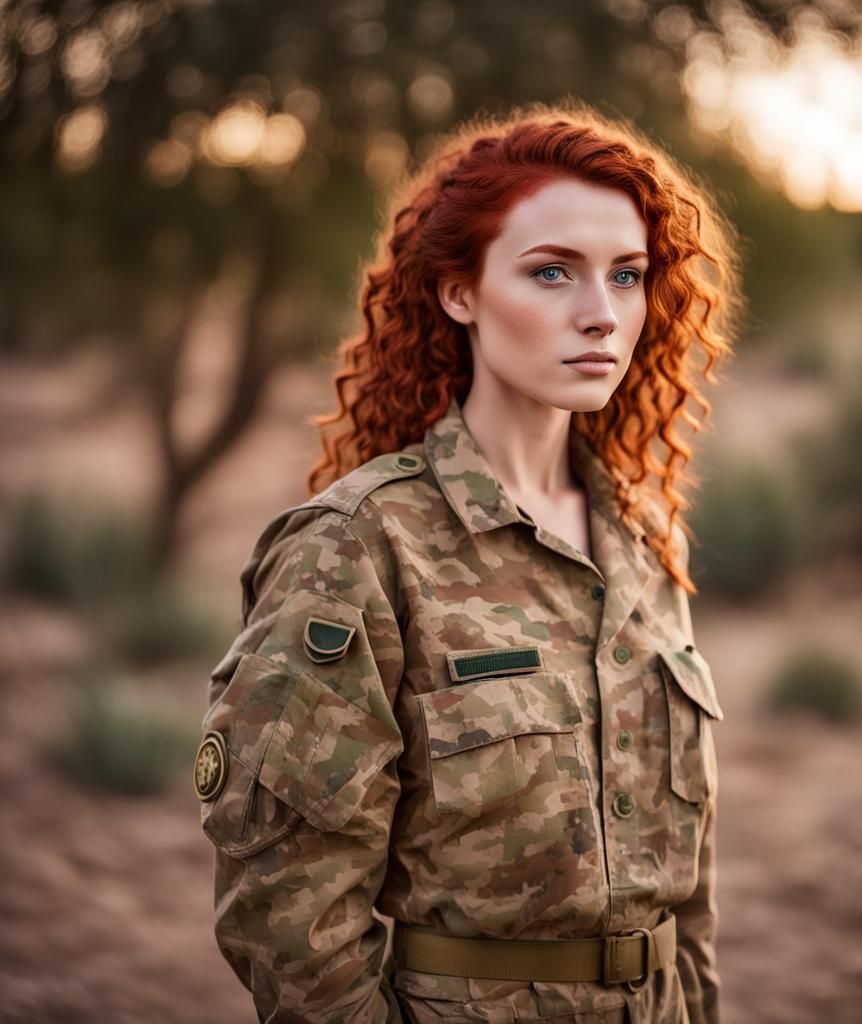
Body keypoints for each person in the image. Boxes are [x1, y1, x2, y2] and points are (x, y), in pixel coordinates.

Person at [193, 99, 743, 1024]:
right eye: (552, 273)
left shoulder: (645, 533)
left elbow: (688, 888)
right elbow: (290, 917)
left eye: (627, 275)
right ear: (459, 292)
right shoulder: (360, 548)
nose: (601, 314)